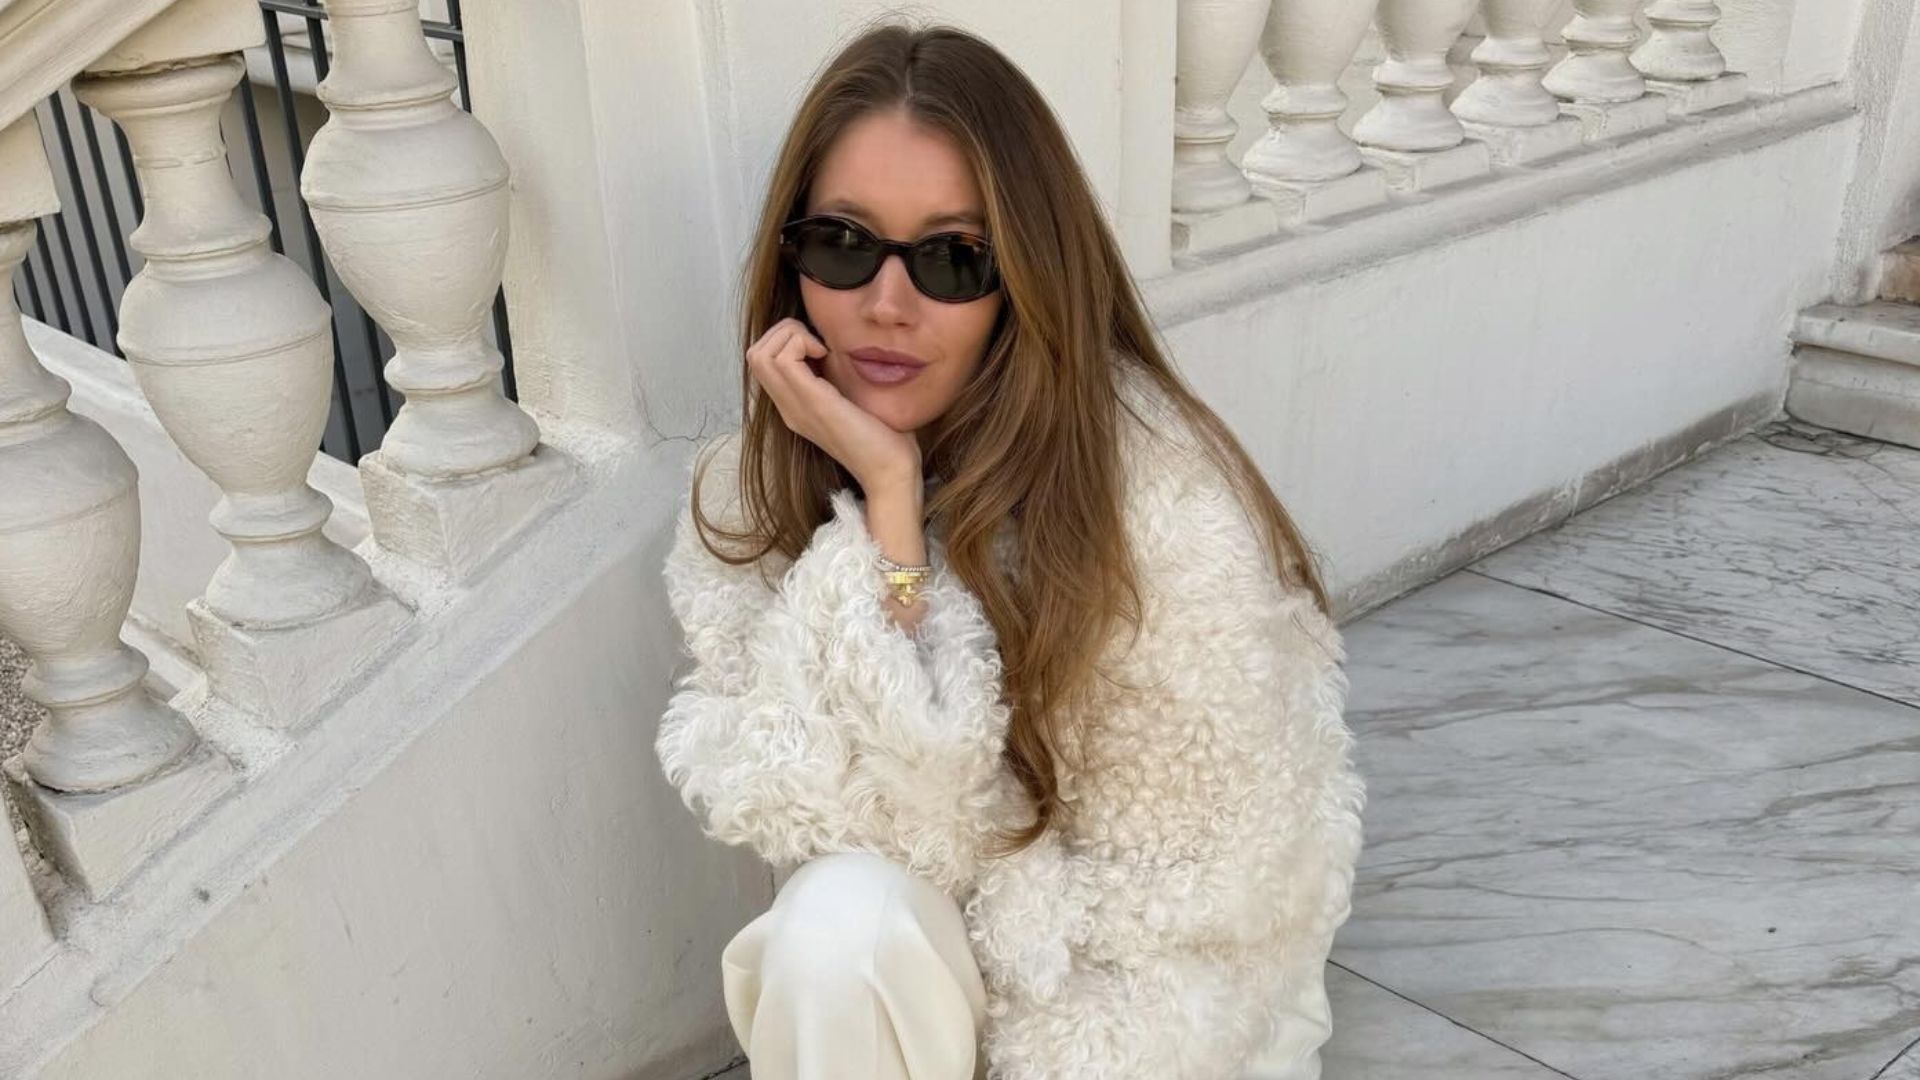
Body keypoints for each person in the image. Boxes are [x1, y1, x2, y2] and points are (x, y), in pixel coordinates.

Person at [654, 16, 1366, 1080]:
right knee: (837, 927)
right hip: (933, 970)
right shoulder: (753, 489)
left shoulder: (1152, 503)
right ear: (791, 258)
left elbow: (1203, 904)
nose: (886, 306)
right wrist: (888, 510)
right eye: (844, 243)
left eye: (953, 258)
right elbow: (813, 810)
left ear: (1024, 274)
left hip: (1160, 1004)